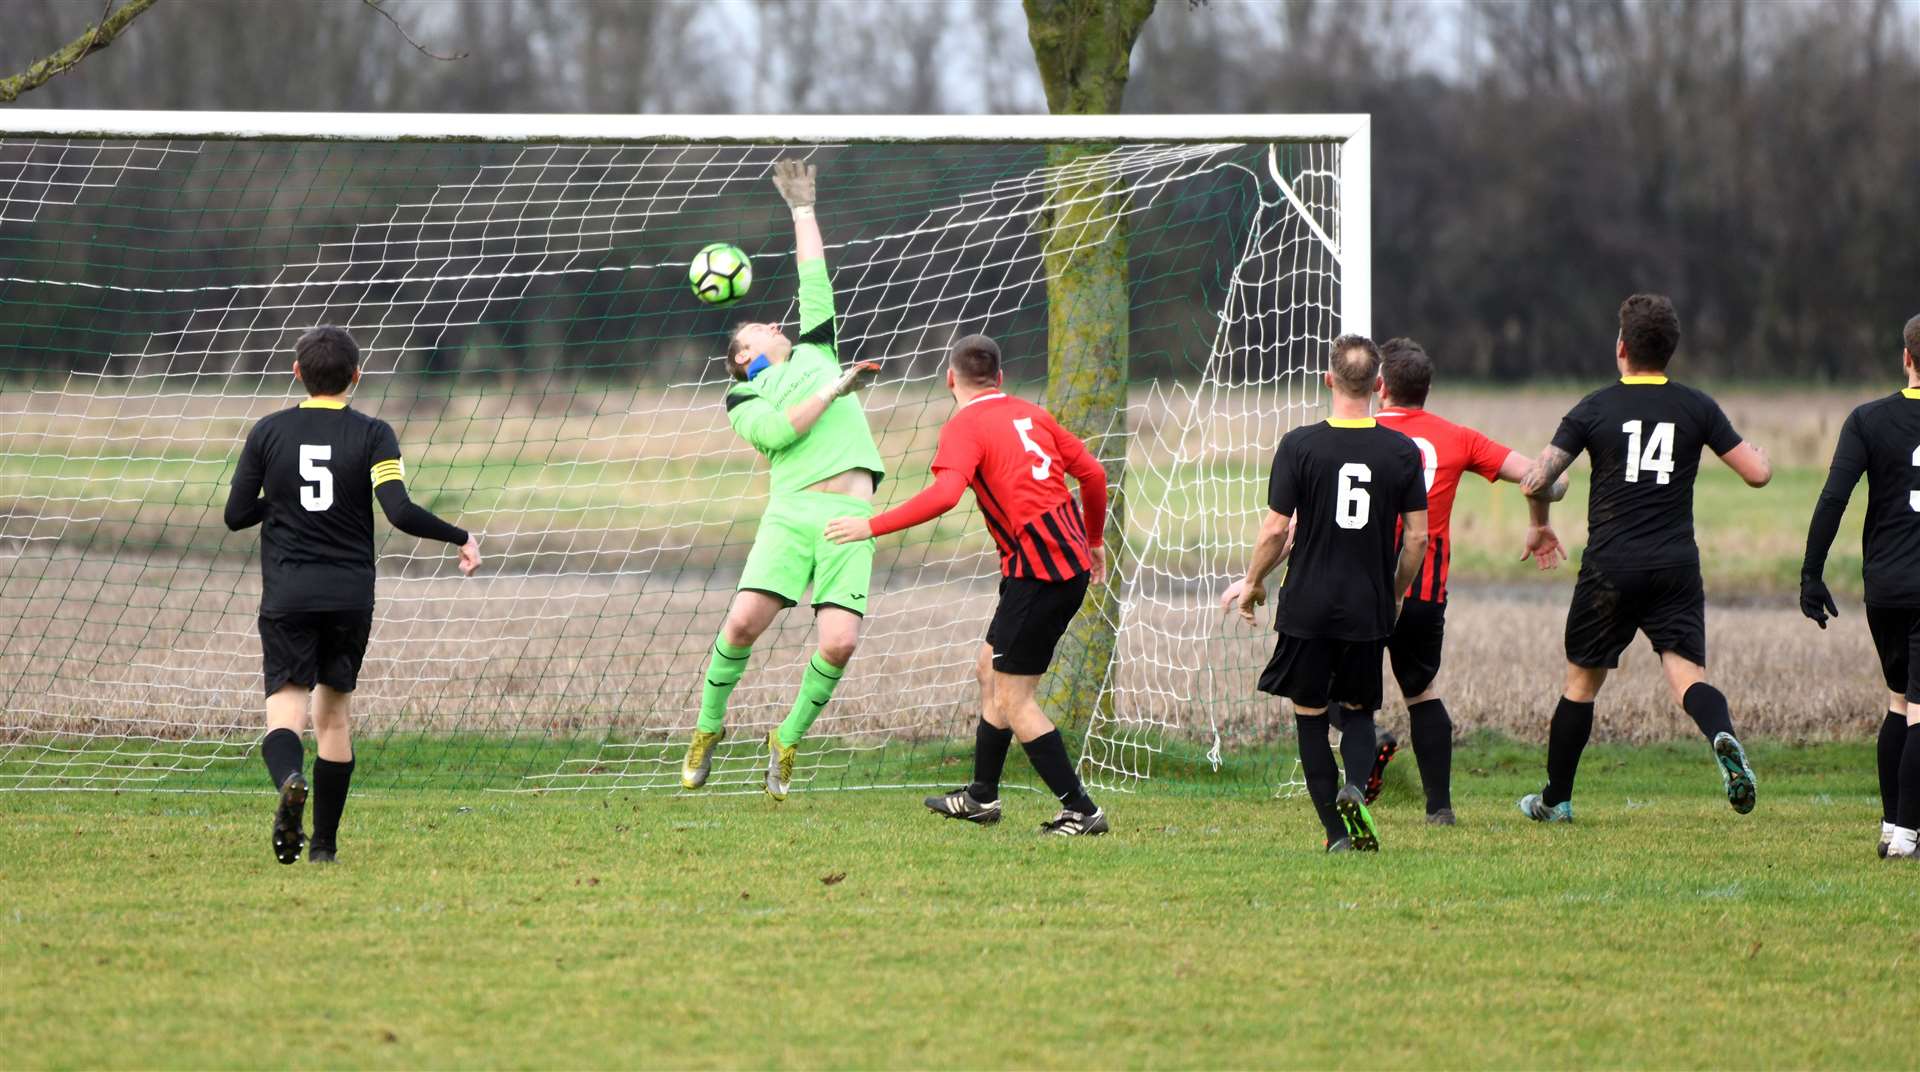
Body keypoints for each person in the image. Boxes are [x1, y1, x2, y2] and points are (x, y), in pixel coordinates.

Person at [824, 334, 1111, 836]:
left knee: (1013, 698)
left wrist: (870, 525)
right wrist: (1093, 539)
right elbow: (1092, 474)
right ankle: (982, 797)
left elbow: (943, 496)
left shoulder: (965, 424)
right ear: (999, 378)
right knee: (988, 669)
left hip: (1039, 574)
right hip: (1056, 565)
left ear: (950, 378)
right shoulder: (1031, 413)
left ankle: (1082, 811)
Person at [224, 325, 480, 865]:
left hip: (289, 594)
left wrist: (279, 504)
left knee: (286, 713)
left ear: (297, 373)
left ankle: (291, 779)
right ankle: (323, 849)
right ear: (355, 377)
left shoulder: (267, 432)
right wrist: (460, 536)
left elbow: (235, 515)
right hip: (349, 596)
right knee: (333, 717)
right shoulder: (374, 434)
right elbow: (400, 512)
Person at [1516, 294, 1771, 824]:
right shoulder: (1697, 407)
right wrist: (1762, 457)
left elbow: (1537, 477)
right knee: (1687, 677)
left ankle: (1556, 800)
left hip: (1610, 567)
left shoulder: (1593, 407)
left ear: (1621, 348)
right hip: (1675, 565)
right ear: (1670, 351)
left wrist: (1541, 523)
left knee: (1581, 685)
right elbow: (1757, 474)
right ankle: (1719, 733)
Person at [682, 159, 881, 802]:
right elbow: (781, 433)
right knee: (741, 626)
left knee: (842, 642)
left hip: (852, 516)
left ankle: (787, 738)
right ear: (746, 356)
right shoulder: (743, 397)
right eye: (762, 328)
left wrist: (802, 208)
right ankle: (708, 729)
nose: (777, 324)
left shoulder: (819, 347)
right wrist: (836, 388)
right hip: (793, 513)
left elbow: (812, 274)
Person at [1223, 335, 1429, 852]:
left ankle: (1337, 835)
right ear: (1379, 386)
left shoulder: (1300, 445)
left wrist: (1251, 582)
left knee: (1311, 717)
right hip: (1367, 604)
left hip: (1307, 605)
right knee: (1358, 712)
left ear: (1329, 379)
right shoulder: (1400, 451)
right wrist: (1396, 593)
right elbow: (1418, 537)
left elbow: (1275, 529)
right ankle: (1356, 786)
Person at [1363, 337, 1569, 825]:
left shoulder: (1360, 431)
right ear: (1427, 389)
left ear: (1380, 386)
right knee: (1421, 691)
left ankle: (1368, 740)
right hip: (1424, 591)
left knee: (1331, 683)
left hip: (1364, 586)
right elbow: (1542, 478)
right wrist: (1548, 501)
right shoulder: (1459, 437)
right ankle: (1440, 810)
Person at [1800, 314, 1920, 858]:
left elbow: (1834, 498)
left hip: (1886, 589)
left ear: (1906, 358)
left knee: (1900, 702)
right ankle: (1908, 839)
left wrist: (1811, 573)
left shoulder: (1867, 420)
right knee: (1919, 710)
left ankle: (1893, 827)